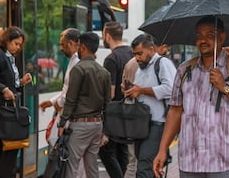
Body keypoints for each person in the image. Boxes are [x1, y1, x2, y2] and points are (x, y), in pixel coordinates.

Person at [153, 16, 229, 178]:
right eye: (199, 35)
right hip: (191, 163)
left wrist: (225, 87)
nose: (203, 40)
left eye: (210, 34)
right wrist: (162, 150)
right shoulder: (184, 71)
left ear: (222, 37)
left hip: (228, 162)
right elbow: (175, 112)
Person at [57, 32, 111, 178]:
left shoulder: (78, 69)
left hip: (80, 125)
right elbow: (107, 103)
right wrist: (105, 129)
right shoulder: (104, 72)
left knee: (72, 165)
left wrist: (62, 123)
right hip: (97, 125)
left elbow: (71, 99)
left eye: (79, 46)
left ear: (84, 47)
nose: (78, 49)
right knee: (92, 166)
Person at [123, 34, 176, 178]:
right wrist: (132, 91)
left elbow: (171, 89)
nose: (137, 58)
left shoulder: (163, 63)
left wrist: (141, 90)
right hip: (141, 125)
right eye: (135, 54)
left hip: (158, 124)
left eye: (140, 53)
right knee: (148, 166)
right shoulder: (140, 69)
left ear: (151, 49)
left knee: (144, 169)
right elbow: (141, 92)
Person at [0, 26, 32, 178]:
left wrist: (21, 82)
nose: (18, 47)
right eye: (16, 43)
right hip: (3, 109)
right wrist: (3, 89)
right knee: (10, 147)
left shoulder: (10, 57)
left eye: (20, 44)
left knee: (5, 148)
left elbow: (10, 83)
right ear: (7, 41)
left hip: (9, 107)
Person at [98, 21, 133, 178]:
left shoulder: (111, 59)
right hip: (130, 110)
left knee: (105, 151)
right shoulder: (132, 53)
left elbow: (110, 93)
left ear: (107, 36)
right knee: (123, 152)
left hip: (114, 113)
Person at [39, 28, 80, 147]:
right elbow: (66, 87)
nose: (61, 48)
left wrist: (59, 102)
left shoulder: (77, 61)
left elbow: (71, 90)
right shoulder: (73, 60)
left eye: (62, 44)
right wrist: (52, 102)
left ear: (71, 43)